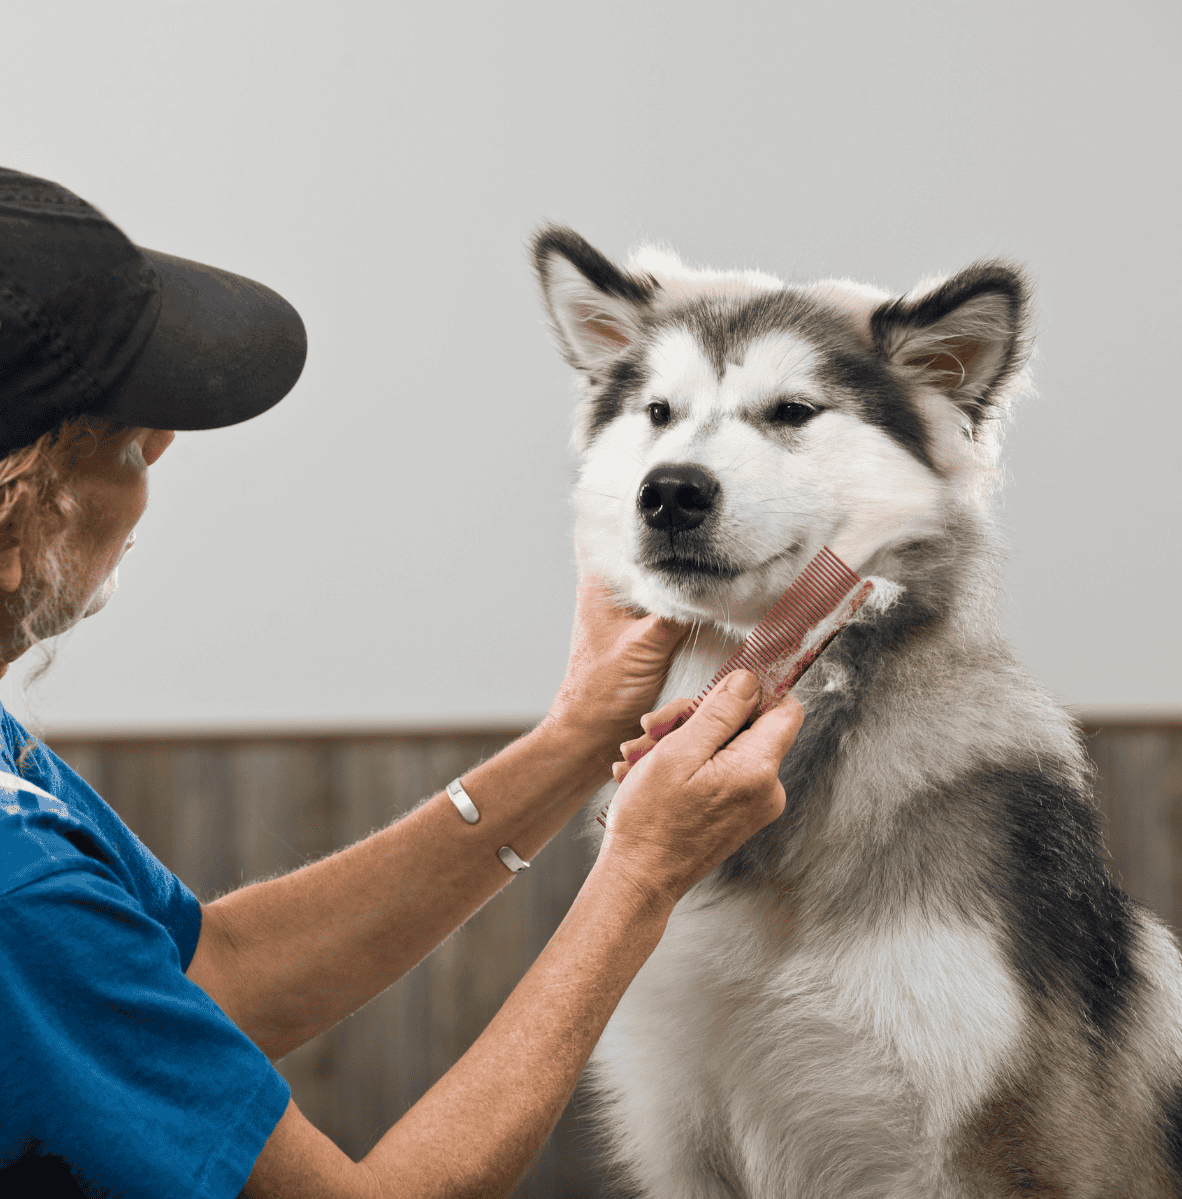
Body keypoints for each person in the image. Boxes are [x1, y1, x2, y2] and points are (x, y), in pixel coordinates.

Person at [0, 167, 804, 1198]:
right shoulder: (22, 898)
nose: (163, 441)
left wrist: (575, 741)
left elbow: (213, 980)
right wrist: (639, 877)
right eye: (121, 436)